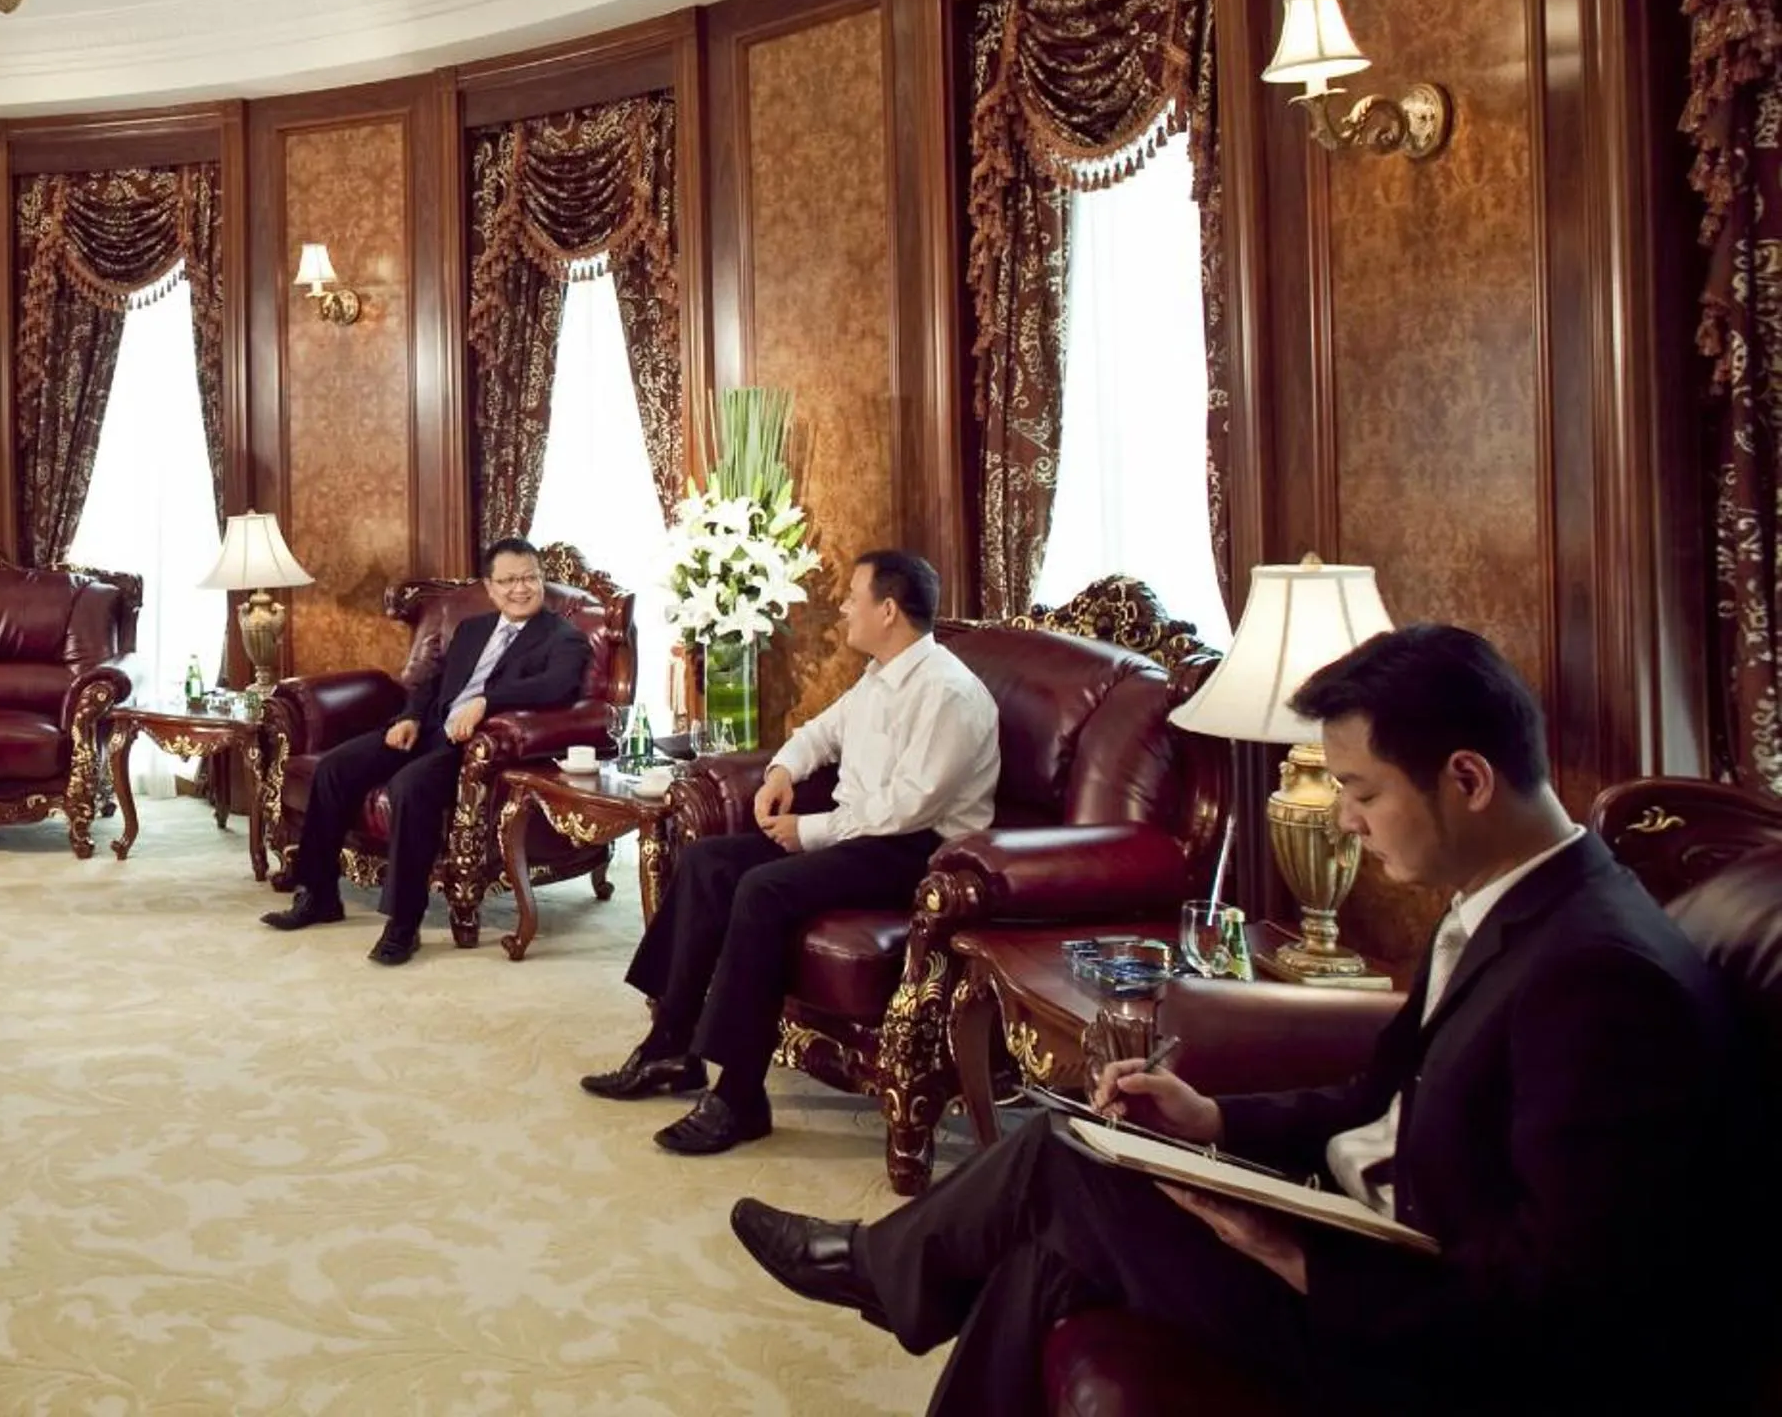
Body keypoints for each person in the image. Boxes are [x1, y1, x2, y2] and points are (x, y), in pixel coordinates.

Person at [726, 623, 1751, 1417]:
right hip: (1364, 1238)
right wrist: (1215, 1127)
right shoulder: (1512, 904)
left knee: (1063, 1162)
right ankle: (884, 1268)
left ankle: (876, 1267)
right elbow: (1375, 1097)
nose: (1344, 817)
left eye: (1360, 790)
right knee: (1062, 1224)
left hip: (1413, 1342)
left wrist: (1295, 1253)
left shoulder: (1602, 979)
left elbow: (1567, 1305)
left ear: (1469, 779)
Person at [585, 549, 999, 1154]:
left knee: (763, 888)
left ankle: (740, 1096)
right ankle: (670, 1046)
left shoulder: (950, 694)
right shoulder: (881, 674)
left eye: (852, 596)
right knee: (706, 862)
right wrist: (782, 770)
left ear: (887, 610)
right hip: (864, 833)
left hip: (922, 853)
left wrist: (811, 831)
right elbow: (821, 733)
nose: (843, 607)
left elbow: (909, 808)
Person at [260, 536, 592, 965]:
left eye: (529, 577)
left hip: (478, 746)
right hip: (429, 728)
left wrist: (488, 702)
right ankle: (319, 895)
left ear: (541, 579)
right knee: (335, 767)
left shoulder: (563, 637)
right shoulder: (473, 629)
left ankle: (403, 923)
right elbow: (433, 683)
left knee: (409, 787)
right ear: (490, 587)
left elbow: (557, 687)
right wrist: (410, 718)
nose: (520, 589)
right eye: (508, 580)